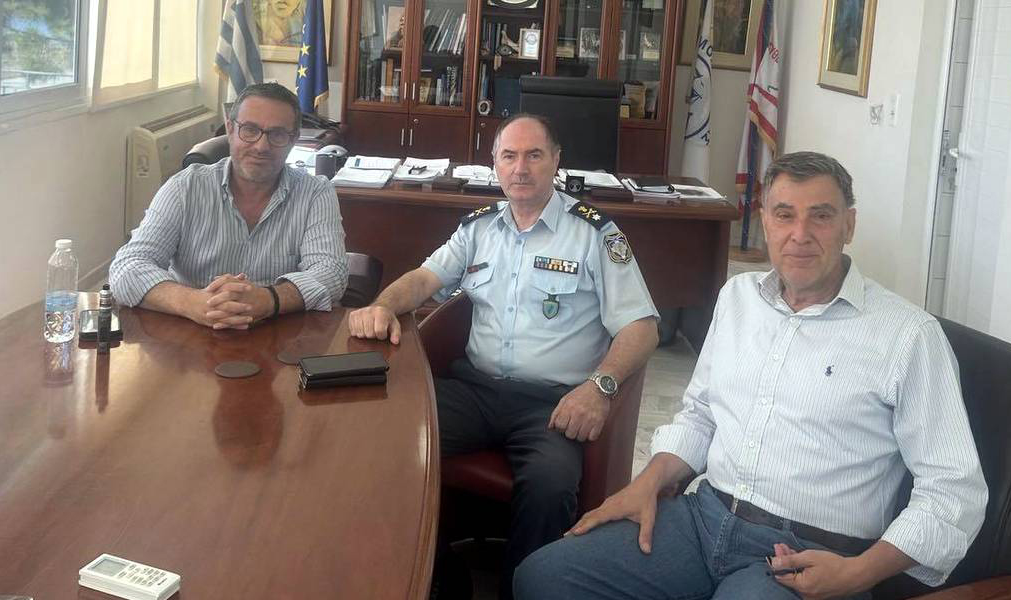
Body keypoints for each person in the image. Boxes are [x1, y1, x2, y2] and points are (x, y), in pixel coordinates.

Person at [513, 151, 988, 600]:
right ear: (764, 222)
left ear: (849, 224)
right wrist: (649, 481)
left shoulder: (908, 335)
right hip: (703, 520)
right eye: (784, 214)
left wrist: (857, 572)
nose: (800, 234)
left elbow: (953, 493)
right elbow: (701, 414)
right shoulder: (738, 297)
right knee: (543, 577)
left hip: (811, 554)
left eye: (821, 216)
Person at [347, 114, 660, 598]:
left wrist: (599, 389)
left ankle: (524, 590)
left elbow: (642, 327)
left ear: (556, 161)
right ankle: (434, 572)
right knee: (383, 434)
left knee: (552, 484)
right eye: (509, 156)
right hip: (474, 389)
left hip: (549, 403)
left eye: (534, 155)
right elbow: (425, 279)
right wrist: (383, 305)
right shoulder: (479, 228)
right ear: (494, 164)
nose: (520, 168)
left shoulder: (595, 234)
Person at [110, 82, 347, 329]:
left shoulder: (315, 193)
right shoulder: (185, 187)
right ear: (231, 129)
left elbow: (332, 273)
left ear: (293, 139)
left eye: (277, 134)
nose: (261, 146)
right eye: (250, 130)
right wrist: (193, 302)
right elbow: (127, 267)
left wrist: (268, 299)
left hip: (278, 333)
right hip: (190, 333)